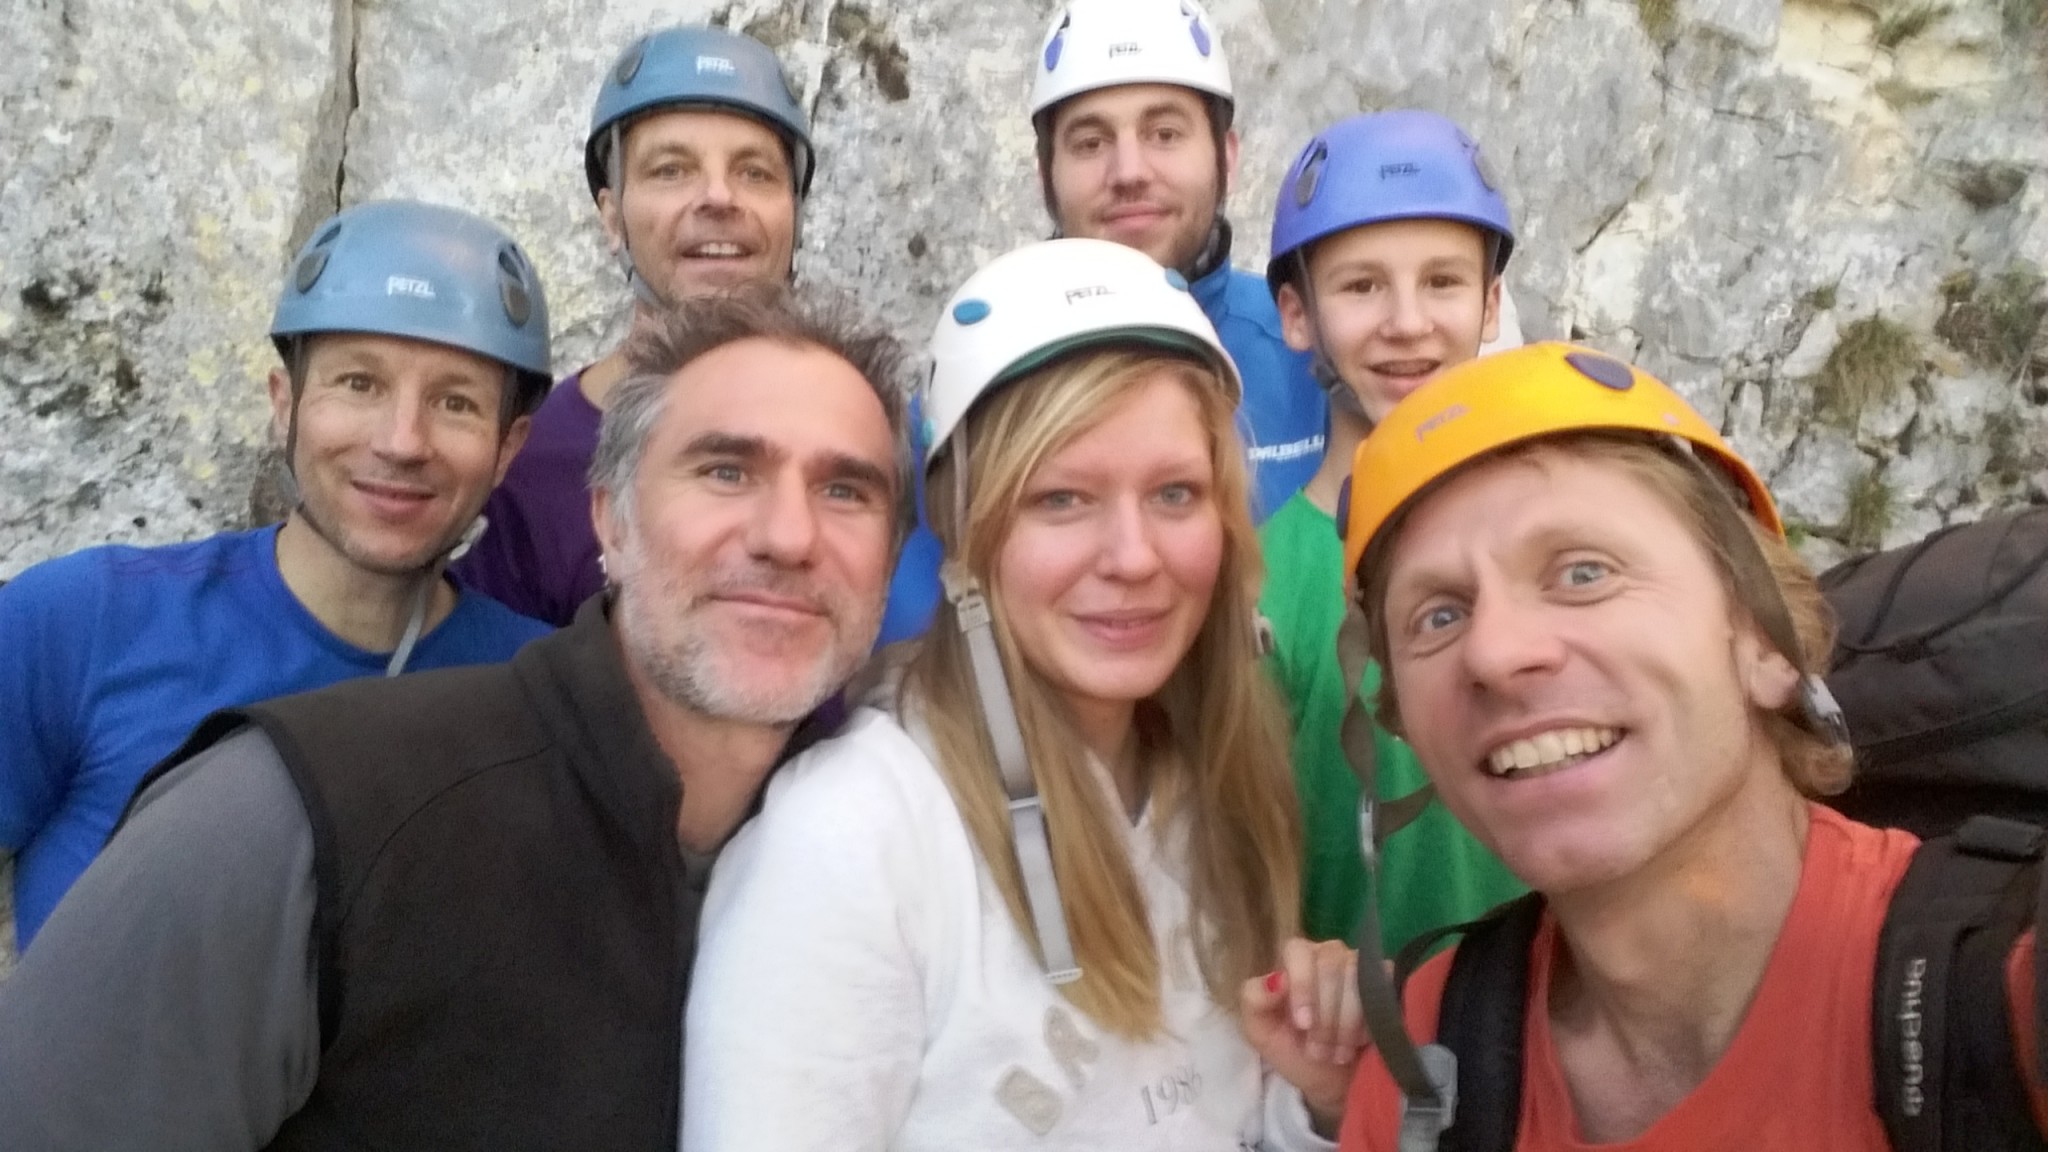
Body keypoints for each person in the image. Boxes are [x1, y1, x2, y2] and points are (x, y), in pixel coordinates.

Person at [0, 285, 910, 1150]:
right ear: (611, 521)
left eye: (846, 490)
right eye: (725, 470)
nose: (788, 536)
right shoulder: (296, 822)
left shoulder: (888, 869)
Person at [685, 239, 1364, 1150]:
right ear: (967, 530)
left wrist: (1316, 1104)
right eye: (1062, 499)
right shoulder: (848, 847)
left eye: (1174, 494)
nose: (1133, 557)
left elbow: (1208, 1117)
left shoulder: (1208, 786)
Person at [1332, 342, 2048, 1149]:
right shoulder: (1428, 1062)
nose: (1494, 653)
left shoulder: (2005, 990)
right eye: (1438, 616)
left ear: (1767, 642)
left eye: (1584, 573)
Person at [0, 199, 552, 951]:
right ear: (283, 404)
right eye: (358, 383)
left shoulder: (541, 693)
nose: (401, 441)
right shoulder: (82, 622)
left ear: (508, 447)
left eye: (455, 402)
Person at [1258, 111, 1525, 950]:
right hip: (1368, 1016)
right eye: (1361, 287)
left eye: (1442, 282)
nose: (1406, 322)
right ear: (1297, 315)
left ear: (1490, 304)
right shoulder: (1259, 584)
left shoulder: (1550, 540)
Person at [454, 24, 815, 626]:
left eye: (755, 172)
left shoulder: (867, 437)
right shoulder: (533, 466)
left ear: (794, 214)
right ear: (611, 217)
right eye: (672, 170)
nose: (719, 197)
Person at [1027, 0, 1327, 519]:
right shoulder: (982, 373)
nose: (1129, 172)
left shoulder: (1313, 357)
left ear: (1227, 156)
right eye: (1090, 143)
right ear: (1044, 174)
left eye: (1164, 134)